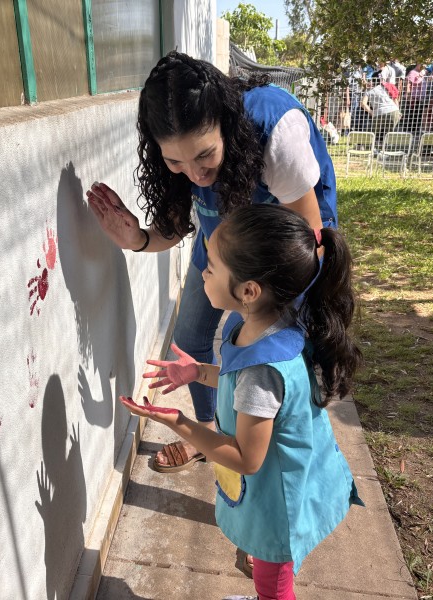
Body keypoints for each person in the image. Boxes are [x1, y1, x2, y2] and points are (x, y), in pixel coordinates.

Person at [86, 51, 337, 473]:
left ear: (226, 124)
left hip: (288, 250)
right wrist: (139, 239)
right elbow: (178, 227)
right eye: (174, 162)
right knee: (190, 336)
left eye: (205, 156)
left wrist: (268, 312)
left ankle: (271, 447)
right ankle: (212, 435)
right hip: (226, 243)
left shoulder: (275, 129)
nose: (195, 174)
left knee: (272, 354)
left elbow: (306, 237)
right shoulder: (190, 174)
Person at [120, 204, 363, 600]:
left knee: (273, 584)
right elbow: (251, 394)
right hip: (291, 478)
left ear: (248, 290)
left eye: (212, 266)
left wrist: (177, 422)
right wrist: (199, 372)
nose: (203, 272)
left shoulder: (260, 368)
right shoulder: (267, 326)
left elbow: (245, 457)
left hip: (279, 502)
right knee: (270, 570)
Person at [360, 78, 401, 145]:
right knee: (389, 133)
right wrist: (398, 111)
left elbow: (362, 103)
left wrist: (371, 112)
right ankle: (386, 148)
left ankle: (368, 146)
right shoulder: (384, 86)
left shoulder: (368, 91)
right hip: (393, 110)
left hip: (379, 113)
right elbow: (394, 97)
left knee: (373, 133)